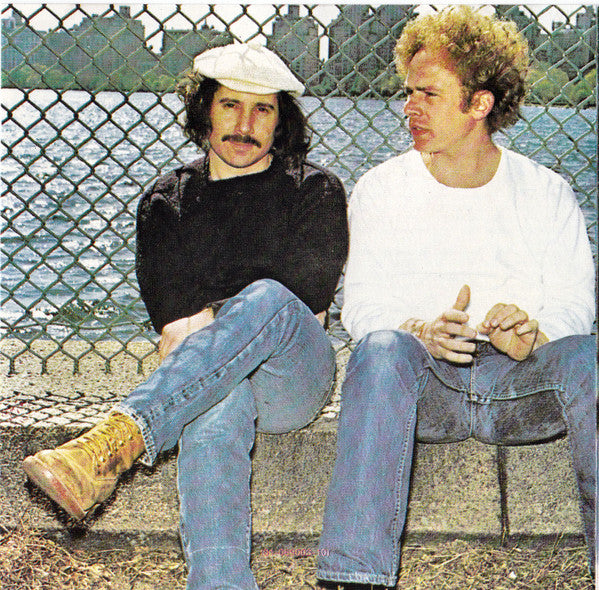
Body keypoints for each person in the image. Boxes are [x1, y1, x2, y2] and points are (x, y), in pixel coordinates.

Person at [22, 42, 348, 589]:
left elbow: (304, 316)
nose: (244, 125)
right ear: (205, 111)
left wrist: (218, 315)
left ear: (281, 120)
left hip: (292, 375)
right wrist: (215, 334)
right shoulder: (165, 202)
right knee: (217, 403)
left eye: (262, 109)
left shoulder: (315, 191)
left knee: (268, 299)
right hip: (206, 379)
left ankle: (118, 440)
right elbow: (177, 334)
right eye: (230, 106)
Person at [316, 7, 596, 589]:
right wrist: (419, 330)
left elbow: (575, 303)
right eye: (407, 92)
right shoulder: (381, 189)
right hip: (427, 383)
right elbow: (361, 307)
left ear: (479, 104)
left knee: (589, 360)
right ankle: (354, 577)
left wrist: (535, 334)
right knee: (382, 349)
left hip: (518, 385)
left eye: (428, 94)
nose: (409, 107)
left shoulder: (546, 192)